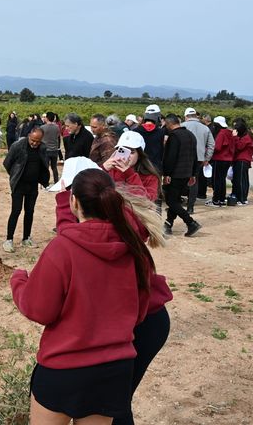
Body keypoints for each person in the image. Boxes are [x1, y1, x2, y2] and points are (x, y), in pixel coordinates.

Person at [10, 167, 158, 424]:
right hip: (114, 371)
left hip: (64, 369)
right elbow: (141, 309)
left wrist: (19, 281)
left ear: (73, 201)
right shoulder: (133, 246)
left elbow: (39, 309)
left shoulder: (63, 248)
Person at [47, 158, 172, 425]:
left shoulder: (103, 223)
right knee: (113, 400)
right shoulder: (117, 211)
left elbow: (72, 240)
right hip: (142, 316)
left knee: (115, 404)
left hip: (140, 320)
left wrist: (62, 205)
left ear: (75, 197)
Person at [2, 128, 49, 252]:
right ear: (29, 136)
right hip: (19, 185)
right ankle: (9, 240)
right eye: (33, 140)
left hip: (32, 186)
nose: (35, 143)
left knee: (29, 211)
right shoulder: (18, 146)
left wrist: (43, 180)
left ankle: (26, 238)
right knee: (16, 211)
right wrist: (14, 175)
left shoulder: (43, 148)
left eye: (38, 141)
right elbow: (7, 163)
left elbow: (44, 164)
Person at [162, 114, 201, 236]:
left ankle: (191, 222)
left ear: (169, 124)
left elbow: (170, 157)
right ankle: (168, 224)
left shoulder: (174, 136)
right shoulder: (191, 135)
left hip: (176, 174)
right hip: (187, 173)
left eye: (166, 125)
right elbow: (195, 156)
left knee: (171, 201)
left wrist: (167, 173)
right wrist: (194, 174)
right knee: (175, 200)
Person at [102, 131, 160, 201]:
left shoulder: (150, 177)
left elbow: (147, 201)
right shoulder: (111, 169)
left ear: (139, 155)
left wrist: (130, 174)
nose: (127, 156)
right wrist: (102, 169)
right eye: (122, 151)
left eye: (131, 152)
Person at [181, 108, 215, 213]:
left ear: (186, 116)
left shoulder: (182, 126)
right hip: (199, 159)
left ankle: (177, 205)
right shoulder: (205, 128)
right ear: (196, 116)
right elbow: (211, 144)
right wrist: (207, 158)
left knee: (180, 180)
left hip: (183, 158)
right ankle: (190, 207)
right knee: (194, 181)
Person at [206, 116, 233, 208]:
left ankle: (216, 200)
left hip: (219, 159)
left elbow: (217, 147)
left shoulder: (221, 133)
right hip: (228, 160)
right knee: (222, 180)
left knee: (216, 180)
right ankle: (221, 199)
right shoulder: (229, 133)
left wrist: (207, 149)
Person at [230, 117, 253, 206]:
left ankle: (242, 198)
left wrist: (235, 137)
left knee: (240, 180)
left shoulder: (247, 137)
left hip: (242, 160)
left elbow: (239, 147)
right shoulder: (246, 136)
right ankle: (241, 197)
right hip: (241, 160)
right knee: (241, 179)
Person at [40, 113, 61, 183]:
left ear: (47, 118)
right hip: (54, 150)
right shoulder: (57, 127)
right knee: (54, 167)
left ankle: (45, 181)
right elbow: (58, 136)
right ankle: (56, 181)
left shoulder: (42, 127)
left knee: (45, 167)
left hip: (46, 150)